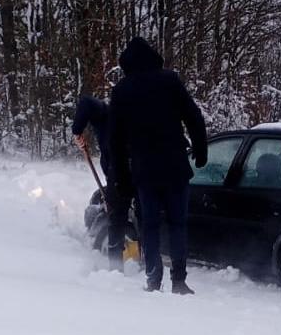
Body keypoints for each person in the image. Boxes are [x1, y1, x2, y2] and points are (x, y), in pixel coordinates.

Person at [108, 37, 207, 295]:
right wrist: (201, 148)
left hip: (145, 171)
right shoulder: (170, 81)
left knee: (149, 225)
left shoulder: (121, 91)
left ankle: (153, 278)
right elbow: (193, 116)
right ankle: (179, 280)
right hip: (175, 166)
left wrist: (119, 175)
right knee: (178, 223)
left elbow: (114, 139)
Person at [72, 96, 131, 272]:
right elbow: (86, 103)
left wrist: (77, 131)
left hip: (124, 175)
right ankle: (117, 266)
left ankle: (120, 266)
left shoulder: (110, 116)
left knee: (118, 220)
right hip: (122, 175)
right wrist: (78, 131)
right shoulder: (106, 114)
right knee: (119, 219)